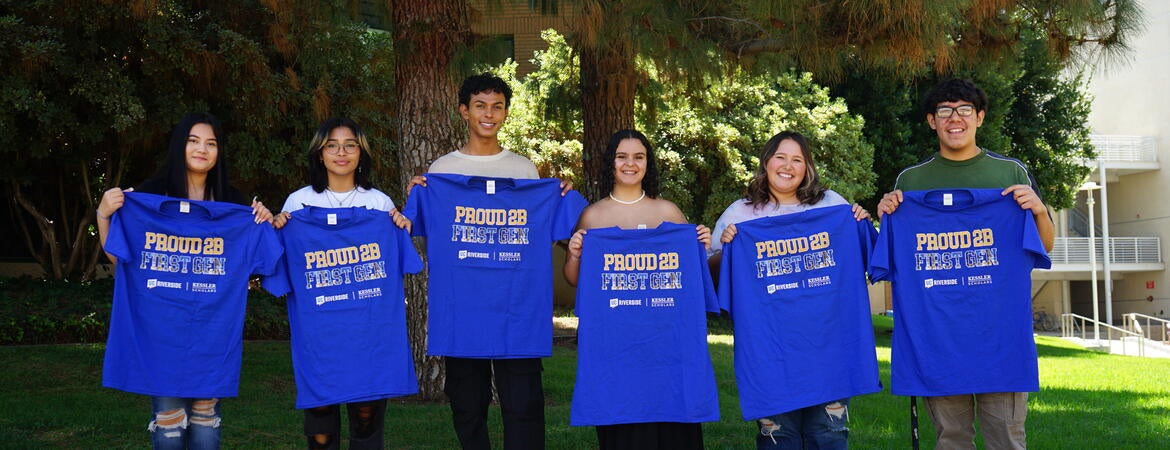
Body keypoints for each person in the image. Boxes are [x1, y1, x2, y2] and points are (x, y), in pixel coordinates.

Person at [875, 79, 1056, 450]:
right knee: (952, 440)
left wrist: (1038, 209)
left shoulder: (1010, 172)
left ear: (980, 117)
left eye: (964, 110)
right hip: (936, 340)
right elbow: (894, 256)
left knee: (1006, 440)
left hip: (1000, 338)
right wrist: (887, 214)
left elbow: (1044, 248)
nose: (954, 119)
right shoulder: (911, 180)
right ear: (931, 121)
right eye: (945, 111)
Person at [405, 73, 577, 450]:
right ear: (464, 111)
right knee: (467, 404)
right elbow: (427, 233)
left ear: (505, 113)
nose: (489, 114)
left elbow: (544, 226)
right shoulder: (442, 171)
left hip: (517, 309)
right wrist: (421, 196)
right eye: (480, 106)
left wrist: (558, 194)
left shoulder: (524, 170)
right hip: (464, 309)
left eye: (497, 107)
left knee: (524, 404)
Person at [95, 112, 277, 449]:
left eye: (211, 143)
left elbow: (259, 262)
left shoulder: (235, 205)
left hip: (212, 333)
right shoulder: (149, 197)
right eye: (193, 141)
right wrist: (103, 214)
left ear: (219, 152)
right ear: (180, 145)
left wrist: (263, 221)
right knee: (169, 422)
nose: (202, 149)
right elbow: (121, 259)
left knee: (206, 419)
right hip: (160, 332)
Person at [709, 131, 876, 449]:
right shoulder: (740, 213)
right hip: (769, 349)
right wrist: (727, 248)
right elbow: (712, 276)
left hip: (828, 344)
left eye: (797, 160)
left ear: (807, 167)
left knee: (828, 434)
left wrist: (859, 220)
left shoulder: (832, 205)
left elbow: (864, 255)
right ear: (766, 162)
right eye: (780, 157)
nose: (788, 166)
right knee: (778, 438)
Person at [562, 129, 715, 449]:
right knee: (624, 428)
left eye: (638, 157)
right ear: (611, 162)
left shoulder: (668, 212)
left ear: (648, 163)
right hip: (614, 346)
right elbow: (574, 279)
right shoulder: (593, 215)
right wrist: (575, 253)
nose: (630, 164)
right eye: (622, 156)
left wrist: (700, 243)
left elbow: (690, 272)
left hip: (666, 344)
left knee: (672, 428)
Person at [271, 117, 412, 450]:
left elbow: (400, 260)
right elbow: (276, 264)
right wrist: (276, 229)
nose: (341, 153)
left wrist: (400, 227)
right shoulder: (297, 204)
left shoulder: (379, 204)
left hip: (370, 336)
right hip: (319, 338)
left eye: (350, 145)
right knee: (320, 425)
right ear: (320, 154)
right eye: (332, 146)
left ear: (361, 153)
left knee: (366, 420)